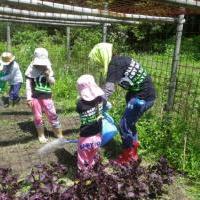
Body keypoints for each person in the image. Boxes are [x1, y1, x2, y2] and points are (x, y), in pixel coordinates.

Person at [89, 43, 156, 165]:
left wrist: (98, 106)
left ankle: (127, 156)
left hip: (143, 97)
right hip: (142, 94)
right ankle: (133, 153)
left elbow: (109, 89)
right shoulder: (121, 59)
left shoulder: (114, 65)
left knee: (124, 125)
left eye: (97, 60)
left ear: (101, 57)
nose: (97, 63)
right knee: (130, 123)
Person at [25, 47, 63, 143]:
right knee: (37, 116)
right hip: (35, 97)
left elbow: (53, 82)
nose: (41, 66)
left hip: (47, 97)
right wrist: (29, 98)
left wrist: (48, 76)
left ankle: (58, 133)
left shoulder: (48, 69)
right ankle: (41, 135)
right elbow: (28, 86)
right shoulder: (30, 71)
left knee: (52, 114)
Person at [76, 74, 107, 171]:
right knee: (92, 154)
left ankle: (83, 173)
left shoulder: (80, 104)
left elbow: (78, 109)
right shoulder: (101, 100)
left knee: (82, 157)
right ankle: (91, 168)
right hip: (98, 136)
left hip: (86, 138)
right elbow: (105, 104)